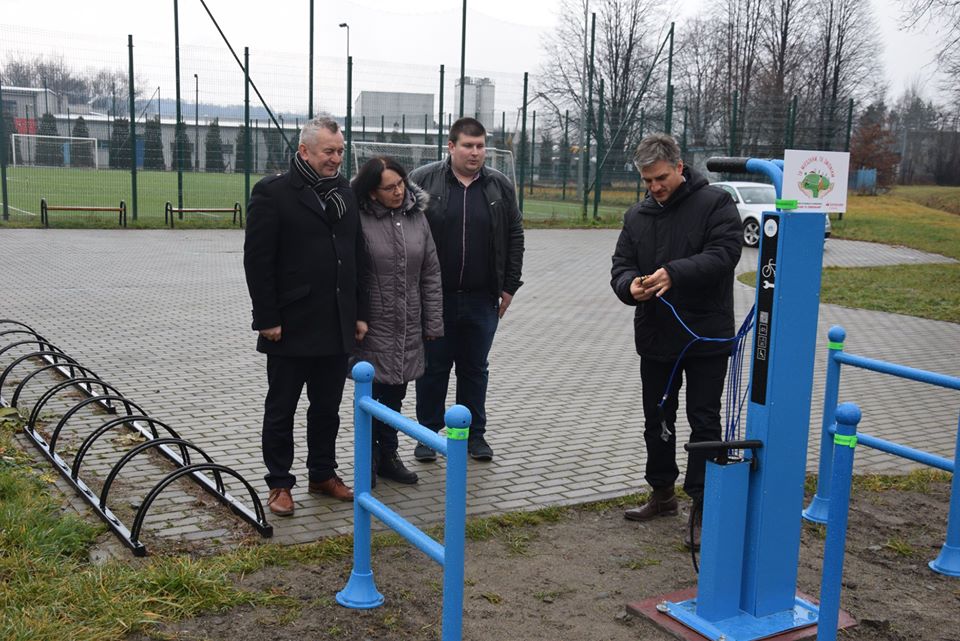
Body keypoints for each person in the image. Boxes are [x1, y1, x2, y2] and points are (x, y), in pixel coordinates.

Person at [610, 133, 743, 548]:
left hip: (705, 335)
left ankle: (703, 505)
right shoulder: (637, 216)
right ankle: (662, 493)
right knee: (657, 418)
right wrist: (629, 286)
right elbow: (621, 265)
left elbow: (725, 254)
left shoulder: (716, 203)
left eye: (661, 178)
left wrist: (674, 272)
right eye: (647, 181)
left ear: (680, 168)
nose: (655, 187)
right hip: (656, 335)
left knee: (704, 420)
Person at [243, 117, 364, 517]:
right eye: (329, 151)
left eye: (340, 151)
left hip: (335, 323)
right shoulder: (273, 193)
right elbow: (258, 261)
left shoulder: (344, 192)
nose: (336, 158)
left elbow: (356, 255)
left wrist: (359, 313)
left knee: (327, 409)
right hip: (290, 325)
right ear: (304, 151)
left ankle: (322, 474)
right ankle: (279, 483)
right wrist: (267, 317)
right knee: (282, 408)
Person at [409, 117, 524, 462]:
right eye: (468, 146)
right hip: (435, 297)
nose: (475, 153)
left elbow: (515, 235)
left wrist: (509, 286)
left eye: (480, 146)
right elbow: (405, 233)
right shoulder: (423, 180)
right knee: (433, 369)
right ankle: (428, 436)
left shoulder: (499, 185)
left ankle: (474, 436)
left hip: (481, 298)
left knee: (475, 369)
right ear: (451, 146)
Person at [351, 156, 443, 486]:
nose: (398, 191)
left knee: (395, 395)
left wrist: (433, 322)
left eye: (401, 184)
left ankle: (388, 454)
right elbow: (350, 272)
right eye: (389, 187)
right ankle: (368, 457)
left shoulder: (416, 216)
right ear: (371, 191)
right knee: (371, 394)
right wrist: (356, 316)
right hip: (372, 325)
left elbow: (430, 272)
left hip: (408, 323)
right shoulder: (357, 218)